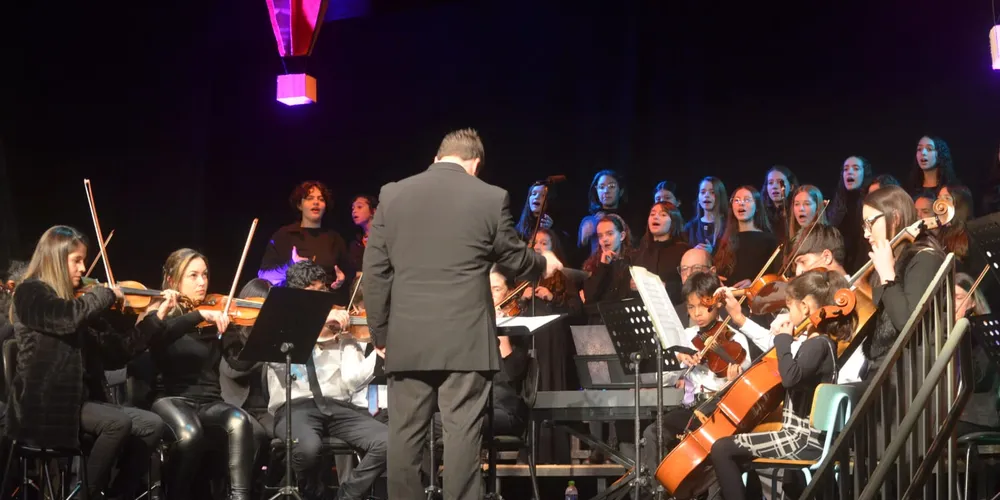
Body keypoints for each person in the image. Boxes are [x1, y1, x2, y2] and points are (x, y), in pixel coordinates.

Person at [363, 128, 561, 500]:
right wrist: (543, 263)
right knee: (462, 436)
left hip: (408, 338)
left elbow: (375, 272)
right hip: (465, 339)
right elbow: (513, 257)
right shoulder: (489, 196)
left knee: (404, 436)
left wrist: (381, 334)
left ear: (438, 157)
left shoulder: (393, 194)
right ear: (474, 164)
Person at [5, 226, 179, 500]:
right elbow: (66, 318)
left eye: (83, 260)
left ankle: (113, 494)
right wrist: (103, 295)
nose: (83, 268)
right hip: (44, 407)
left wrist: (155, 318)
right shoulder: (30, 293)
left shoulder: (80, 302)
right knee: (117, 422)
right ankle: (84, 495)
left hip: (80, 403)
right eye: (76, 260)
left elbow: (119, 351)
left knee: (151, 425)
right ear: (55, 258)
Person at [710, 270, 857, 500]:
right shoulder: (817, 343)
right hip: (801, 437)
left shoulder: (817, 344)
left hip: (802, 440)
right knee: (735, 451)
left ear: (806, 307)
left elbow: (790, 377)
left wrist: (783, 339)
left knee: (722, 449)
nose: (788, 313)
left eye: (790, 307)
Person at [267, 261, 387, 500]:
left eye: (322, 293)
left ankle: (347, 495)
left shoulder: (342, 333)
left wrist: (377, 354)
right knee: (308, 449)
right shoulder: (280, 325)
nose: (318, 302)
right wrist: (313, 322)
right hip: (295, 407)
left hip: (337, 408)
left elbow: (352, 382)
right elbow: (278, 363)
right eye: (311, 295)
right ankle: (308, 488)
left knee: (389, 442)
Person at [150, 248, 262, 500]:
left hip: (209, 402)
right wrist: (196, 315)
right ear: (172, 280)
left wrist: (252, 334)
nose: (202, 282)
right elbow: (157, 339)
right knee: (190, 434)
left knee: (240, 421)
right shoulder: (160, 314)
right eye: (193, 275)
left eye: (205, 275)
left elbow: (238, 364)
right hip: (170, 398)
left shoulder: (215, 317)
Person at [258, 181, 353, 302]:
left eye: (321, 199)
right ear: (299, 205)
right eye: (309, 198)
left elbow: (349, 275)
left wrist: (342, 282)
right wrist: (291, 264)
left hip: (324, 305)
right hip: (288, 303)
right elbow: (263, 274)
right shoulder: (284, 235)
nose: (316, 202)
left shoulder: (334, 239)